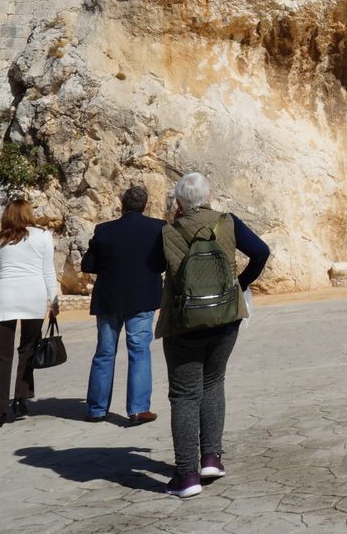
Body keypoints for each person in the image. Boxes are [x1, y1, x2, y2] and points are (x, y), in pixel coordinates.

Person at [158, 172, 270, 499]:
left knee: (184, 395)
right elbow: (261, 251)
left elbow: (152, 268)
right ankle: (211, 458)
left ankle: (186, 475)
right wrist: (241, 283)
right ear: (208, 196)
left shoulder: (167, 231)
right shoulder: (228, 222)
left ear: (179, 201)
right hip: (225, 316)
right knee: (213, 382)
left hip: (184, 322)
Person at [82, 184, 166, 424]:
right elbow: (163, 263)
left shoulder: (103, 230)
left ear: (122, 205)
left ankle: (96, 409)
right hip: (142, 298)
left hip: (109, 299)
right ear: (145, 205)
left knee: (104, 353)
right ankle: (138, 409)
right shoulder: (158, 228)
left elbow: (88, 265)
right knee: (139, 351)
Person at [0, 199, 59, 429]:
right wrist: (54, 299)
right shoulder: (43, 236)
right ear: (29, 214)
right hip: (33, 297)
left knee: (0, 356)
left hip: (4, 297)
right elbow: (48, 270)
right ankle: (21, 396)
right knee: (28, 348)